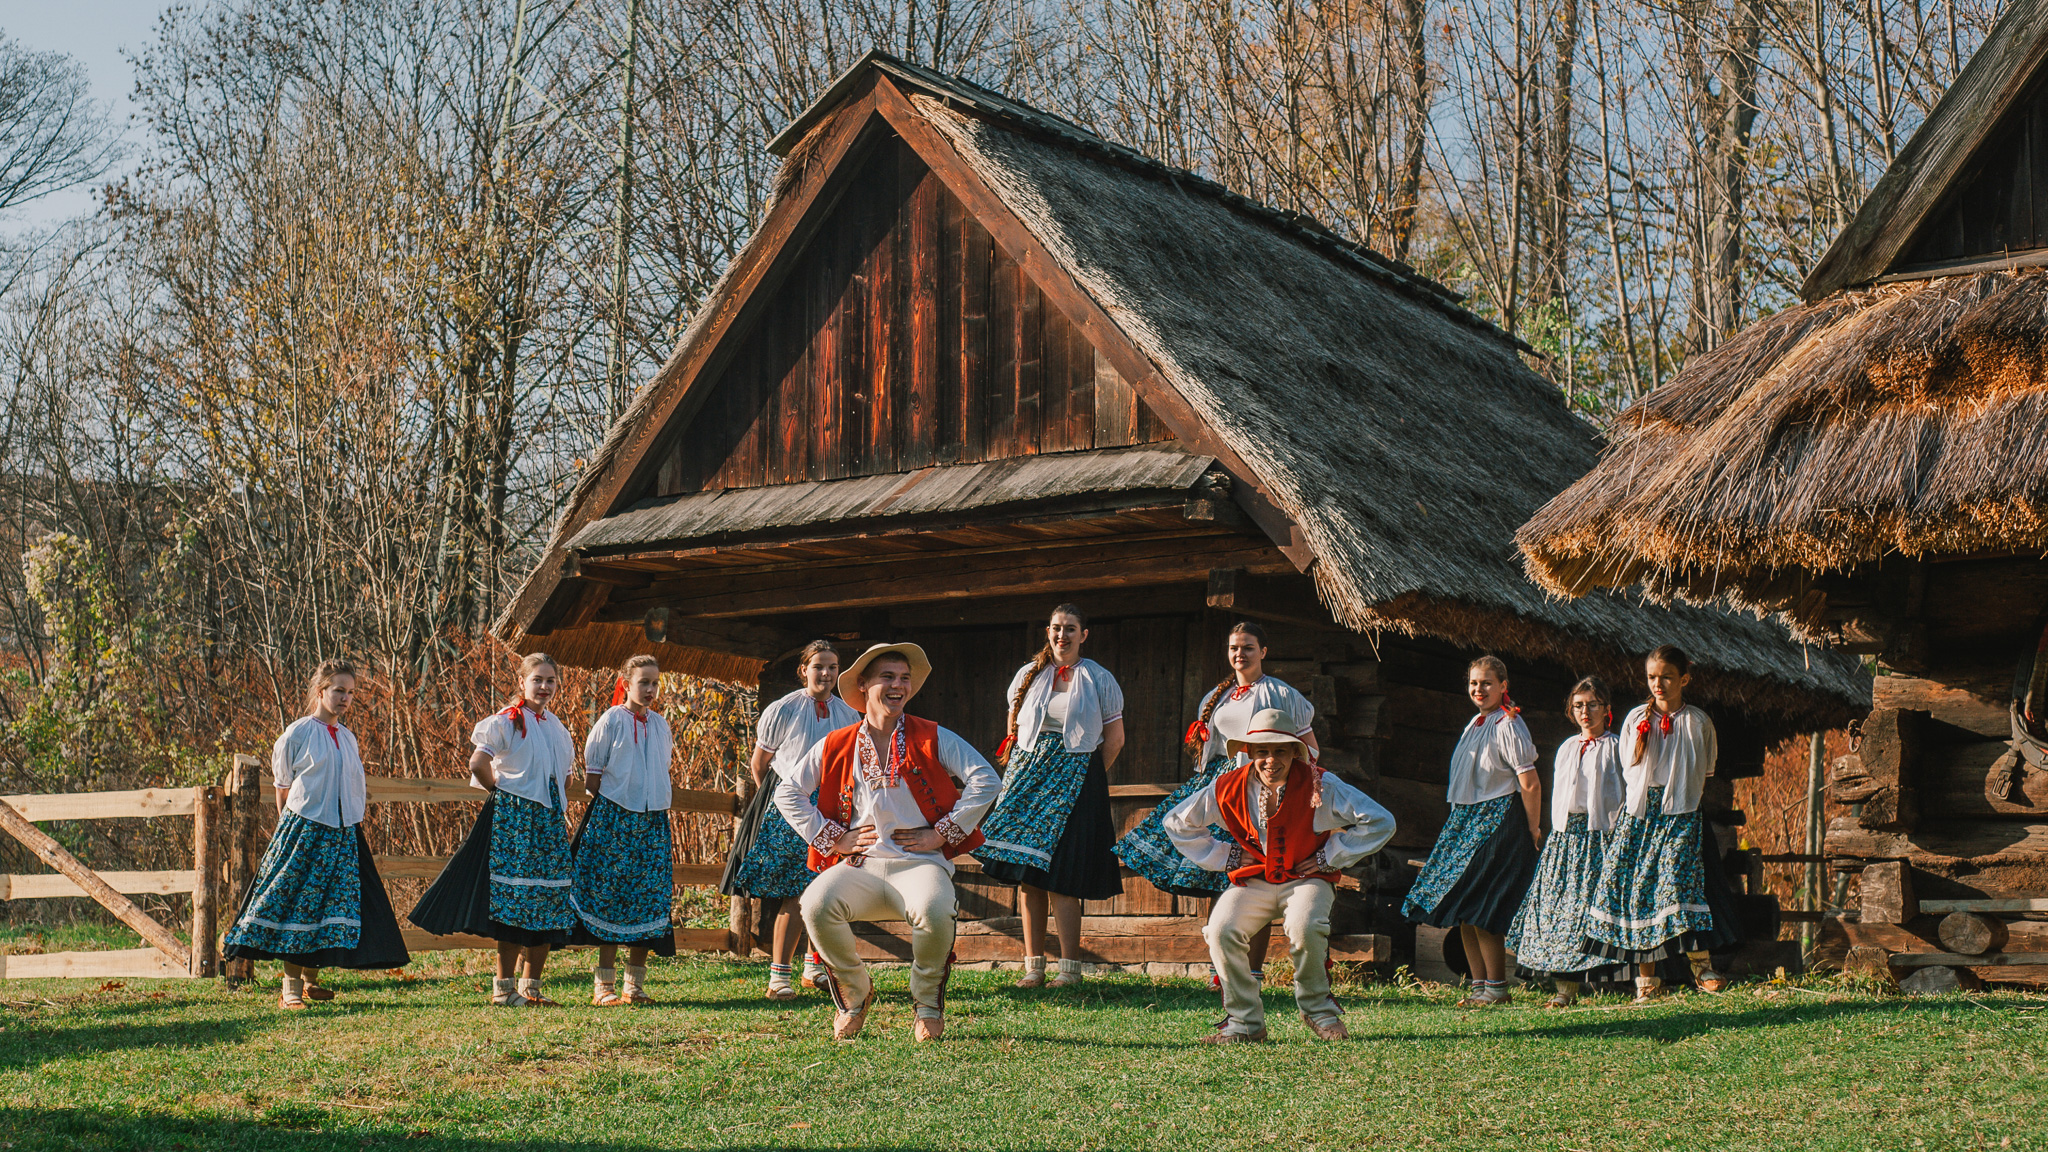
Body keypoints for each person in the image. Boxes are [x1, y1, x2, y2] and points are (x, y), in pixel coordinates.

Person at [774, 643, 999, 1042]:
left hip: (920, 864)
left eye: (904, 678)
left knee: (935, 907)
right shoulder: (837, 742)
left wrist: (942, 832)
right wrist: (835, 838)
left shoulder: (931, 734)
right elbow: (787, 792)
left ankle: (927, 1003)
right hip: (861, 865)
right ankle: (855, 993)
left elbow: (986, 780)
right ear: (863, 686)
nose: (898, 685)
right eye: (888, 677)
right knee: (815, 904)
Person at [1163, 708, 1394, 1043]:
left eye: (1280, 751)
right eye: (1262, 752)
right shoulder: (1228, 786)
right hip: (1255, 879)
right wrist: (1224, 855)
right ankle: (1245, 1023)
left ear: (1294, 752)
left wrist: (1328, 856)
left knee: (1305, 925)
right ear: (1250, 753)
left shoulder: (1321, 783)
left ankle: (1319, 1011)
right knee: (1221, 930)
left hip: (1306, 879)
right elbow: (1177, 822)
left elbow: (1380, 821)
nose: (1271, 760)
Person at [1115, 621, 1316, 984]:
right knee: (1217, 875)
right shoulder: (1216, 696)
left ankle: (1251, 972)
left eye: (1248, 647)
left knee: (1252, 875)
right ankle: (1220, 971)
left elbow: (1310, 750)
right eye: (1235, 648)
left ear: (1264, 652)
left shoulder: (1282, 695)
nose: (1240, 654)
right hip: (1222, 785)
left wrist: (1286, 785)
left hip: (1259, 786)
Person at [223, 659, 410, 1007]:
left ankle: (311, 982)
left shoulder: (348, 738)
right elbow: (284, 788)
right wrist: (290, 835)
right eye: (338, 690)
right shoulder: (298, 733)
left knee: (327, 906)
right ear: (321, 691)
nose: (345, 698)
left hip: (342, 834)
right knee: (299, 907)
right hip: (304, 831)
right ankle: (290, 989)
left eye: (351, 692)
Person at [411, 652, 578, 1006]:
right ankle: (504, 989)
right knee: (515, 899)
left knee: (547, 897)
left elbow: (565, 777)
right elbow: (477, 762)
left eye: (550, 680)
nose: (544, 686)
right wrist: (500, 792)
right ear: (522, 682)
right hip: (515, 821)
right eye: (537, 680)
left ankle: (531, 988)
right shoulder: (506, 722)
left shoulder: (557, 728)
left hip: (548, 823)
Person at [976, 604, 1126, 988]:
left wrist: (1085, 778)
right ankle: (1033, 967)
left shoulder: (1099, 678)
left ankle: (1069, 970)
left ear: (1084, 635)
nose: (1063, 635)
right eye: (1057, 628)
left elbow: (1115, 739)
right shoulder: (1027, 675)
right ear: (1048, 631)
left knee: (1063, 876)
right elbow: (1014, 731)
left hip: (1076, 782)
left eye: (1071, 629)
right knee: (1030, 876)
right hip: (1027, 779)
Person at [1584, 645, 1741, 1002]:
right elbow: (1628, 770)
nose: (1659, 683)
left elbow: (1705, 771)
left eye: (1667, 677)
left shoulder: (1698, 722)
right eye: (1652, 677)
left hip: (1681, 813)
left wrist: (1683, 805)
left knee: (1678, 882)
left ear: (1684, 678)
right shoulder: (1635, 719)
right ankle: (1646, 982)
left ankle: (1701, 966)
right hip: (1640, 814)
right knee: (1638, 891)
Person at [1401, 655, 1542, 1007]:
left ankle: (1497, 985)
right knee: (1461, 902)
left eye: (1487, 683)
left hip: (1497, 819)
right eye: (1474, 683)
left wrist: (1532, 827)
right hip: (1465, 820)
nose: (1479, 689)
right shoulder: (1475, 723)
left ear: (1503, 687)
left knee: (1483, 905)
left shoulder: (1508, 725)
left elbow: (1530, 783)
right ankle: (1479, 985)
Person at [722, 640, 858, 999]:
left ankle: (814, 967)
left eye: (832, 667)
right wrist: (781, 804)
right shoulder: (783, 709)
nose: (826, 674)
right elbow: (759, 763)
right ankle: (778, 977)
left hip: (831, 808)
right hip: (791, 807)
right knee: (794, 893)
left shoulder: (849, 715)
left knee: (826, 890)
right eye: (819, 667)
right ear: (804, 670)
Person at [1504, 676, 1624, 1007]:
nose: (1586, 712)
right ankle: (1564, 990)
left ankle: (1624, 984)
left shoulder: (1617, 747)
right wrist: (1551, 831)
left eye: (1593, 705)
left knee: (1591, 912)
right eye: (1579, 705)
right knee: (1560, 913)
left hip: (1599, 836)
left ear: (1606, 710)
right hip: (1565, 839)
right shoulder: (1567, 748)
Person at [571, 654, 678, 1006]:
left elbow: (662, 769)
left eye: (654, 683)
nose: (649, 689)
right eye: (643, 682)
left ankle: (635, 986)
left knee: (646, 898)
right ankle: (604, 987)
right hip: (615, 820)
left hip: (652, 823)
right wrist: (619, 803)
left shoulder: (661, 725)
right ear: (626, 683)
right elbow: (593, 776)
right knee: (611, 898)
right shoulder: (612, 720)